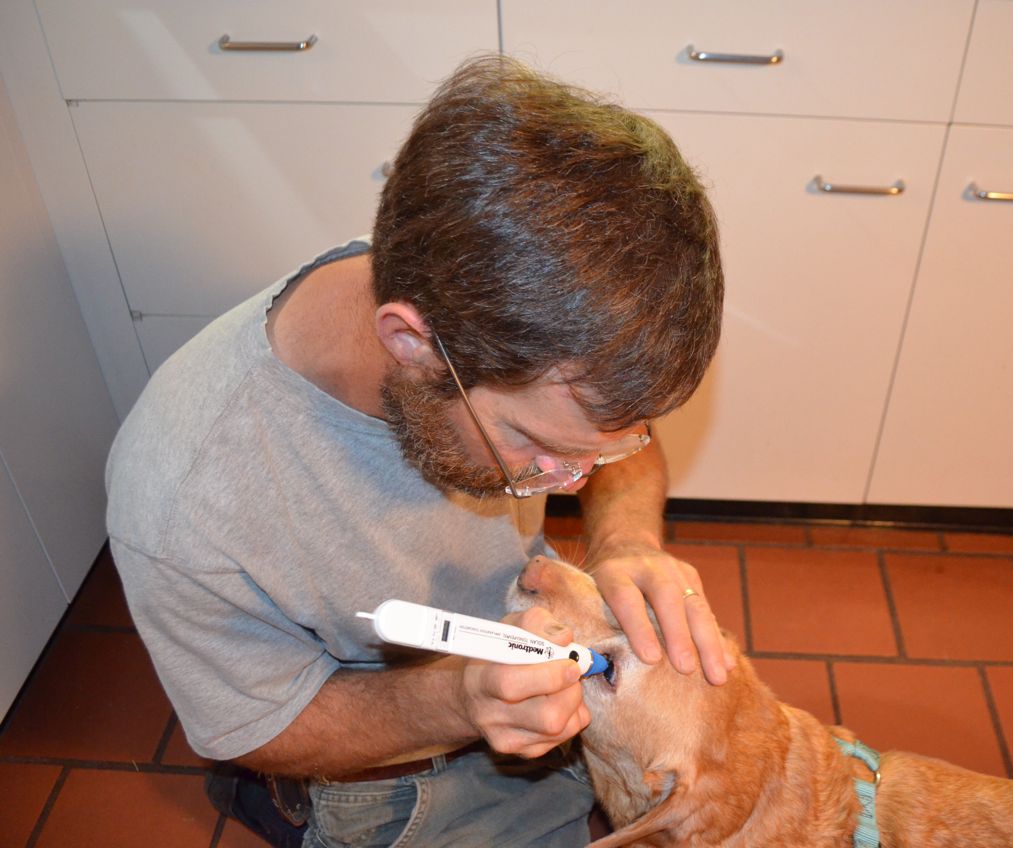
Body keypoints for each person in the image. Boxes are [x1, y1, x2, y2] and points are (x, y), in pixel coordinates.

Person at [104, 55, 728, 847]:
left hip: (534, 652)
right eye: (535, 446)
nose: (572, 483)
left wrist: (627, 539)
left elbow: (595, 426)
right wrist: (461, 700)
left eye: (593, 453)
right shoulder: (183, 500)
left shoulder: (501, 305)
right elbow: (261, 728)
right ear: (410, 342)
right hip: (390, 752)